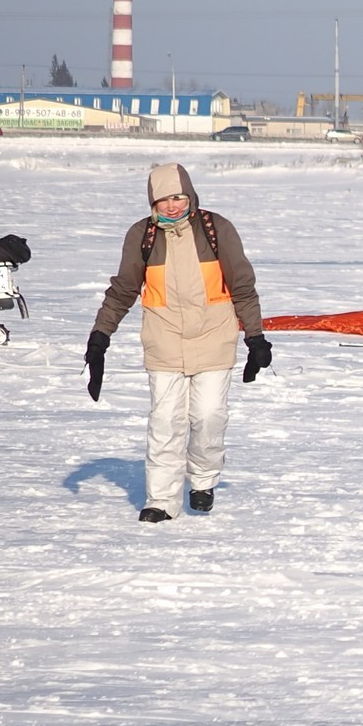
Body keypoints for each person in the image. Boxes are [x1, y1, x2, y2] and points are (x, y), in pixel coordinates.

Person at [87, 164, 270, 522]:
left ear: (190, 195)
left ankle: (202, 479)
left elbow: (242, 287)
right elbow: (124, 289)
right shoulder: (143, 235)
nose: (171, 206)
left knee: (208, 416)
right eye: (163, 200)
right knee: (165, 422)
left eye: (178, 197)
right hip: (164, 339)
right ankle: (161, 500)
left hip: (214, 336)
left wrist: (255, 337)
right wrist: (100, 337)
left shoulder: (217, 229)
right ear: (152, 202)